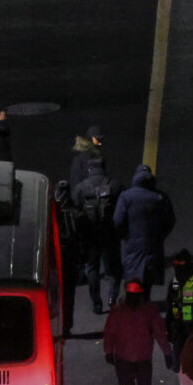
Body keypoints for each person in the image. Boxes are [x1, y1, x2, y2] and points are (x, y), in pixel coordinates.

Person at [103, 279, 173, 385]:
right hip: (141, 359)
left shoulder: (119, 311)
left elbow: (110, 333)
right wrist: (167, 352)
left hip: (127, 359)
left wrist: (109, 351)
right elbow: (159, 333)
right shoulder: (149, 310)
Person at [113, 165, 176, 300]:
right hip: (153, 246)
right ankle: (145, 304)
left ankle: (132, 305)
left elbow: (118, 220)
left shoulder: (126, 196)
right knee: (148, 280)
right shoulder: (160, 197)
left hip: (132, 246)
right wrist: (160, 236)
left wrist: (126, 236)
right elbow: (170, 221)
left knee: (132, 278)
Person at [72, 157, 124, 313]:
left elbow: (74, 211)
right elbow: (123, 207)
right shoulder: (114, 185)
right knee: (112, 269)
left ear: (90, 169)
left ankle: (96, 302)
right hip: (110, 234)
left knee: (92, 269)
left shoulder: (81, 187)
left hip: (90, 236)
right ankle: (112, 298)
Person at [54, 180, 86, 335]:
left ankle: (53, 324)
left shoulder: (51, 211)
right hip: (70, 258)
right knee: (68, 294)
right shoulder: (76, 212)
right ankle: (66, 325)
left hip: (54, 258)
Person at [165, 249, 193, 372]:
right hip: (179, 322)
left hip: (192, 322)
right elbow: (170, 303)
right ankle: (179, 367)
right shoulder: (175, 281)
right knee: (179, 345)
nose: (177, 267)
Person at [69, 125, 104, 190]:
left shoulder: (99, 157)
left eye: (101, 140)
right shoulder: (80, 159)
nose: (100, 143)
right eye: (97, 140)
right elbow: (75, 182)